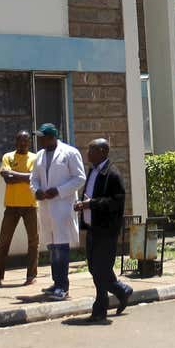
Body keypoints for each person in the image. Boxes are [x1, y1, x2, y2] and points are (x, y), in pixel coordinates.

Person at [71, 138, 133, 324]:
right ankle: (122, 290)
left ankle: (100, 310)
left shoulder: (113, 174)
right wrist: (82, 205)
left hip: (106, 230)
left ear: (104, 151)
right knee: (94, 269)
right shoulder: (93, 171)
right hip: (92, 228)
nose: (88, 153)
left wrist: (91, 204)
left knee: (100, 270)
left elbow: (116, 202)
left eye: (92, 150)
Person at [30, 123, 85, 300]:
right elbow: (34, 179)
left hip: (62, 206)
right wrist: (36, 190)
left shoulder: (70, 153)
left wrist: (59, 190)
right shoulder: (39, 156)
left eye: (43, 137)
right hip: (46, 207)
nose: (41, 141)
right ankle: (56, 282)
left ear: (52, 137)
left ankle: (63, 286)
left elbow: (79, 178)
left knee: (61, 247)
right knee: (52, 247)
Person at [0, 130, 39, 287]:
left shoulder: (35, 158)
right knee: (3, 242)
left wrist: (13, 174)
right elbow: (7, 180)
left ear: (29, 142)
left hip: (30, 205)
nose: (23, 143)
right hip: (11, 205)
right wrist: (23, 176)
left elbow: (33, 178)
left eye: (25, 141)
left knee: (33, 242)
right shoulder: (8, 157)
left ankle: (31, 276)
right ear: (15, 142)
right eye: (20, 141)